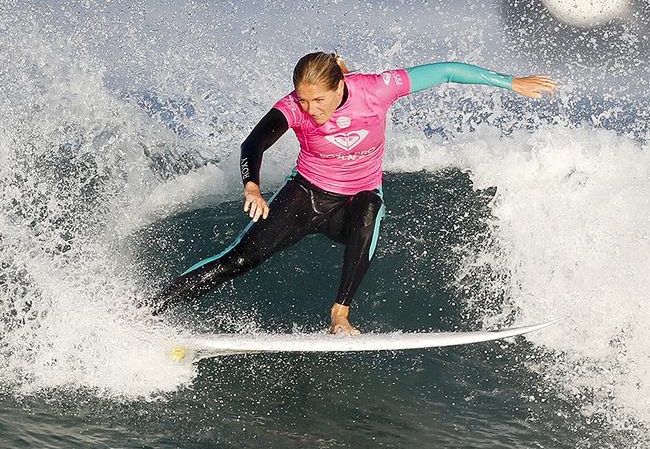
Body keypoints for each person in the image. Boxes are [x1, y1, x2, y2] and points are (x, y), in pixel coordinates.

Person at [151, 52, 557, 334]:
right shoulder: (292, 108)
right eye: (304, 99)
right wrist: (252, 186)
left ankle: (339, 313)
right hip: (307, 196)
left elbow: (447, 70)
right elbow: (252, 144)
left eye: (318, 99)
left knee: (369, 207)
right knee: (237, 259)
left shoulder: (376, 89)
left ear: (340, 84)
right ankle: (149, 311)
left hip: (354, 204)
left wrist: (509, 82)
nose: (310, 109)